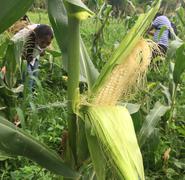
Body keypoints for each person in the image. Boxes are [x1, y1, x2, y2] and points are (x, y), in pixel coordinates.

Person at [4, 24, 54, 93]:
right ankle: (27, 98)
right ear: (36, 37)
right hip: (22, 55)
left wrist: (43, 50)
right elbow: (12, 47)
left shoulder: (48, 33)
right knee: (29, 78)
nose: (44, 45)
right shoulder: (23, 37)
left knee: (35, 75)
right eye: (42, 42)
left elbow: (46, 43)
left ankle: (32, 93)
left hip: (34, 54)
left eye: (48, 43)